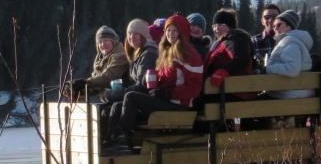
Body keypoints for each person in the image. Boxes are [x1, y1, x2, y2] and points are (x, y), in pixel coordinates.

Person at [108, 14, 203, 152]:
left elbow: (194, 88)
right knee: (118, 106)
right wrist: (153, 80)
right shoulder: (167, 52)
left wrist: (168, 93)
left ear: (182, 32)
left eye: (175, 30)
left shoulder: (189, 55)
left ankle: (125, 139)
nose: (170, 34)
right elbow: (164, 77)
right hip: (165, 100)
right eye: (168, 30)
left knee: (131, 97)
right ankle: (111, 141)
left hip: (178, 105)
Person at [264, 9, 314, 98]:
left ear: (289, 26)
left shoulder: (290, 43)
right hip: (295, 91)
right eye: (274, 26)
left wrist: (269, 68)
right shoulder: (291, 41)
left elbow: (292, 69)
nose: (275, 28)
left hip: (290, 94)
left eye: (278, 25)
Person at [69, 25, 128, 98]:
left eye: (106, 40)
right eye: (100, 42)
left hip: (121, 99)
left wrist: (85, 82)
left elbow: (108, 77)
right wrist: (78, 91)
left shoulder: (120, 56)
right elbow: (97, 87)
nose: (103, 44)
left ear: (114, 42)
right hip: (109, 99)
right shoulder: (99, 60)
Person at [205, 8, 254, 90]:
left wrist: (224, 70)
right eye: (214, 26)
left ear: (228, 26)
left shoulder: (235, 38)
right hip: (221, 89)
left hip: (233, 91)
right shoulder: (221, 41)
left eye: (219, 25)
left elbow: (241, 58)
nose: (215, 29)